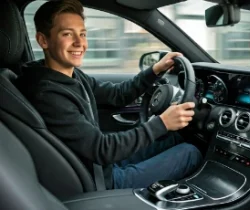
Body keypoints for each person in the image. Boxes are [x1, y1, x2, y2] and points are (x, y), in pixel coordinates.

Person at [16, 0, 202, 189]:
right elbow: (102, 149)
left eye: (82, 34)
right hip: (100, 181)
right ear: (43, 40)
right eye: (67, 34)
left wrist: (154, 70)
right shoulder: (49, 95)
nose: (80, 43)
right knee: (190, 152)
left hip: (100, 166)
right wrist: (162, 123)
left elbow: (117, 95)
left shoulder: (69, 76)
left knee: (176, 139)